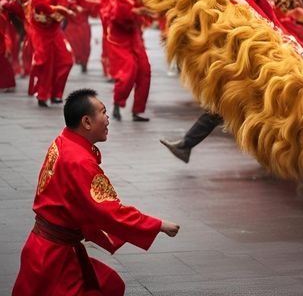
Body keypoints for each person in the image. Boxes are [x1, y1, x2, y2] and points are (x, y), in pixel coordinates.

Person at [12, 88, 180, 295]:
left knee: (110, 284)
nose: (107, 118)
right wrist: (158, 225)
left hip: (43, 248)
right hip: (54, 255)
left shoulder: (63, 141)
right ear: (87, 122)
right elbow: (111, 211)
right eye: (103, 112)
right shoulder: (80, 161)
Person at [103, 0, 155, 122]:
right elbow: (117, 12)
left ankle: (138, 110)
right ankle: (118, 102)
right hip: (117, 36)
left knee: (145, 70)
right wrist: (138, 11)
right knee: (128, 71)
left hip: (134, 34)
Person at [27, 0, 74, 108]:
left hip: (55, 30)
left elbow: (64, 7)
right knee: (45, 62)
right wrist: (61, 11)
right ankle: (42, 94)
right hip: (40, 31)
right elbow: (44, 7)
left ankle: (56, 93)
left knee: (66, 61)